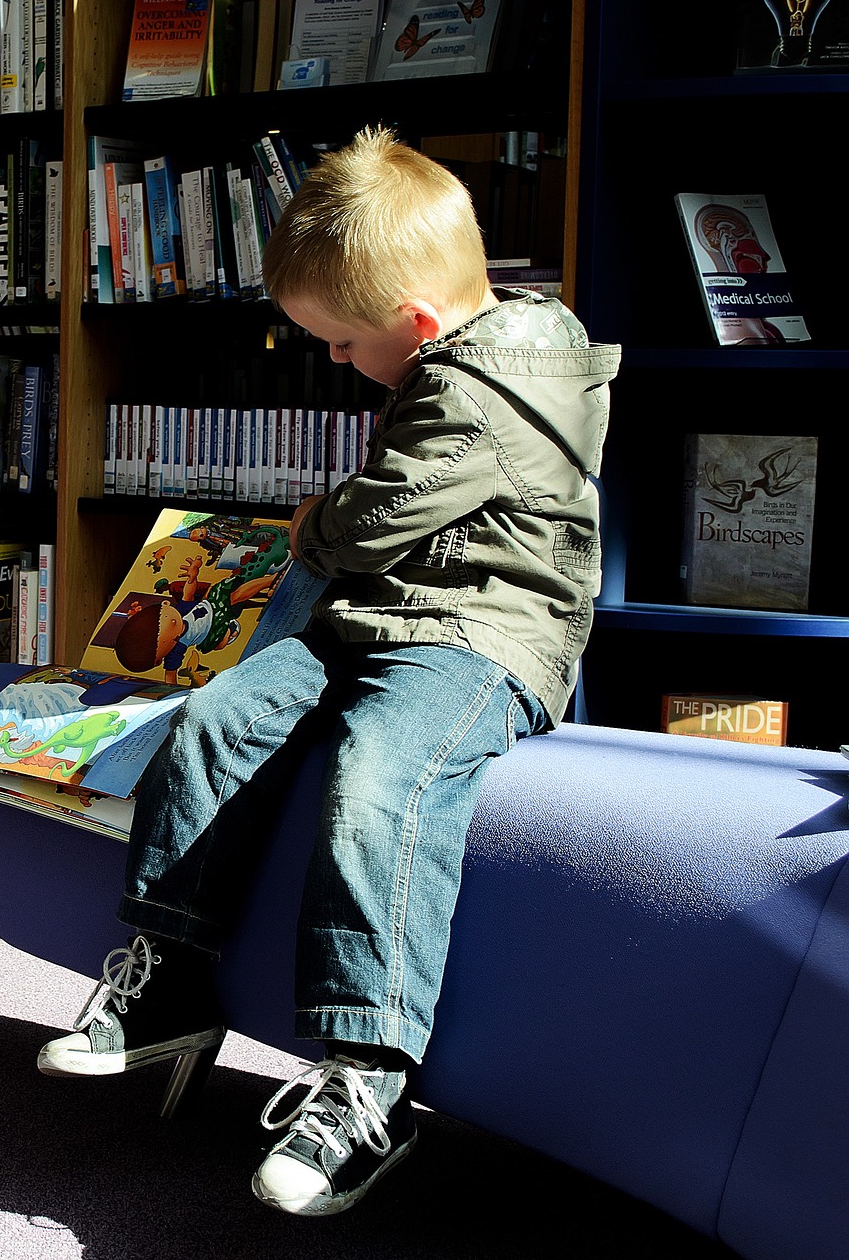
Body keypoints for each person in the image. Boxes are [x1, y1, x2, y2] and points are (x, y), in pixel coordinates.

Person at [36, 125, 620, 1217]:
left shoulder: (496, 389)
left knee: (380, 777)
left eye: (344, 346)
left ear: (414, 320)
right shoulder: (448, 357)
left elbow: (377, 515)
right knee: (214, 722)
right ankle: (168, 977)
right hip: (376, 618)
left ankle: (370, 1079)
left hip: (483, 639)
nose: (339, 364)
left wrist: (307, 525)